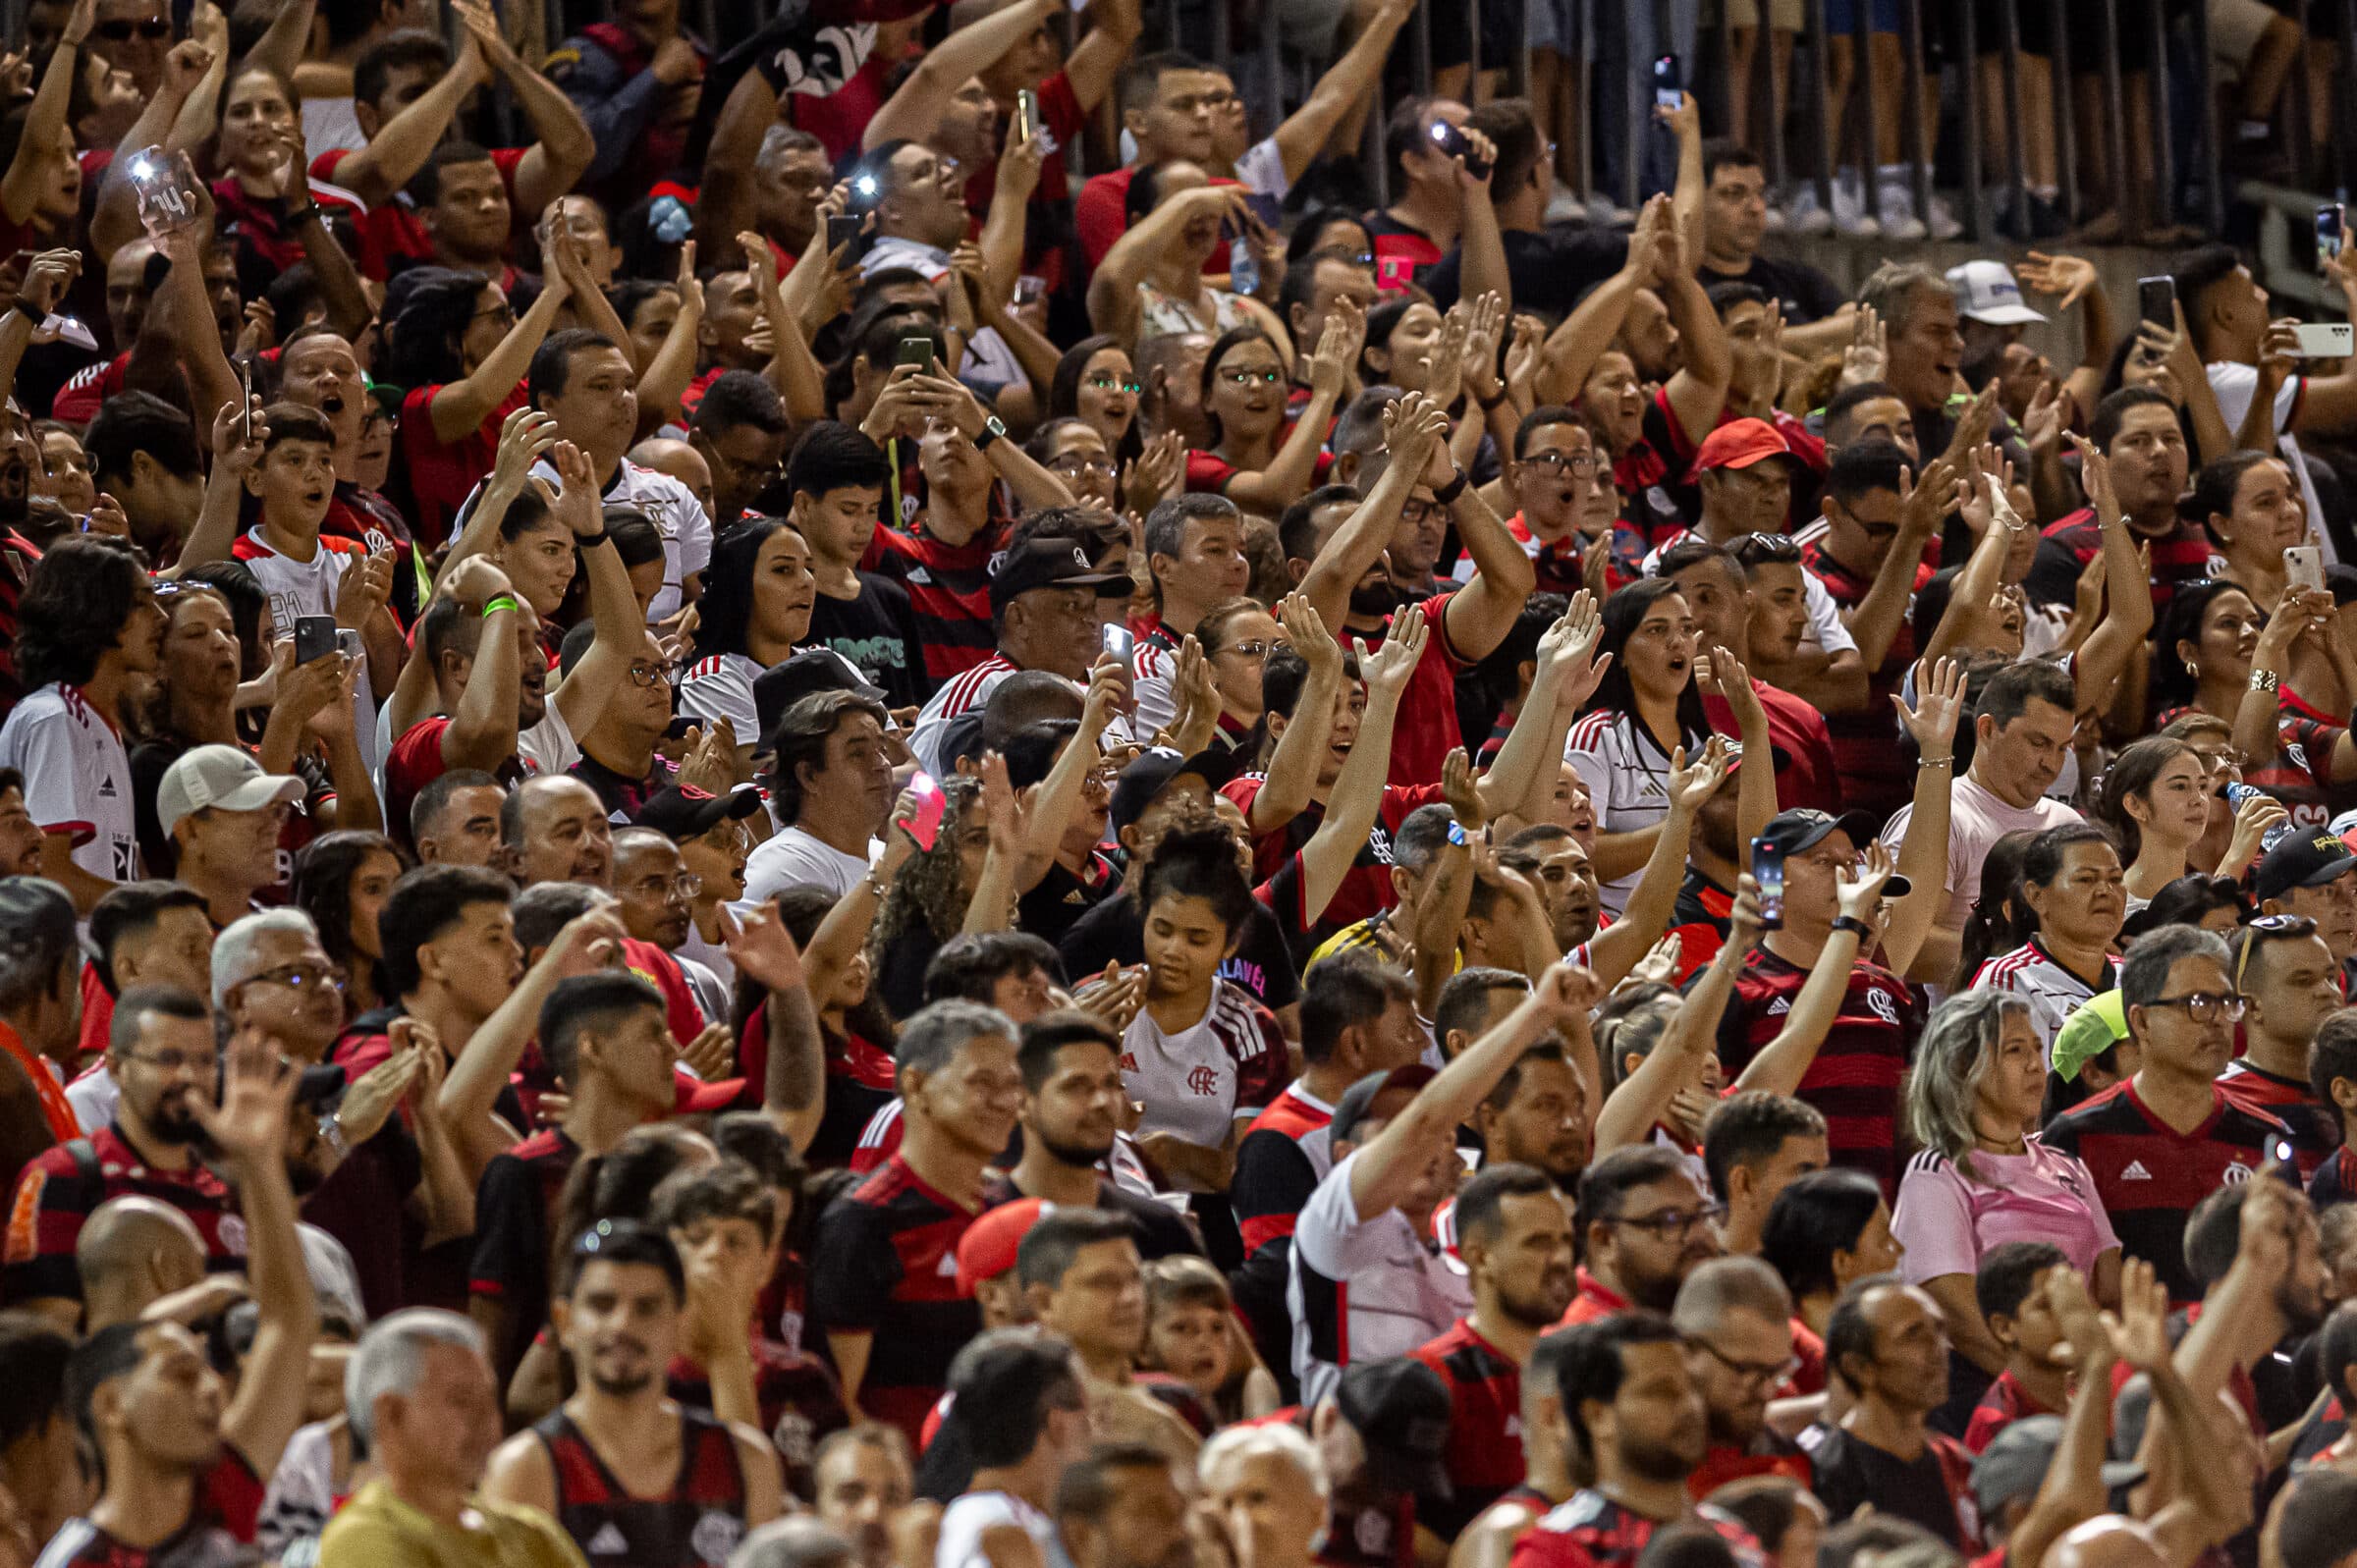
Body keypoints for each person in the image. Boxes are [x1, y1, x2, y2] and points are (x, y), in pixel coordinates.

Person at [43, 1034, 317, 1563]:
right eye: (181, 1373)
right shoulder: (75, 1559)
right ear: (111, 1404)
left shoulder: (223, 1489)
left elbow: (289, 1321)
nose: (213, 1388)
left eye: (204, 1369)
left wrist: (258, 1165)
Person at [481, 1217, 784, 1561]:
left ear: (679, 1325)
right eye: (602, 1304)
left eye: (647, 1307)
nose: (623, 1324)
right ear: (565, 1323)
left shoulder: (746, 1460)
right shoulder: (524, 1471)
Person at [2041, 924, 2289, 1304]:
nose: (2219, 1019)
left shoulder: (2267, 1138)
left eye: (2227, 1003)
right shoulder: (2076, 1138)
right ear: (2141, 1022)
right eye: (2197, 1003)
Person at [809, 1001, 1022, 1440]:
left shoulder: (1014, 1209)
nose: (1005, 1102)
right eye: (981, 1082)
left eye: (1013, 1084)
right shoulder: (864, 1223)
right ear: (917, 1084)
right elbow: (835, 1403)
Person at [1891, 991, 2120, 1379]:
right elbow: (1961, 1319)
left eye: (2037, 1047)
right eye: (2015, 1051)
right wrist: (2045, 1390)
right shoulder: (1937, 1173)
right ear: (1963, 1066)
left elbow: (2111, 1292)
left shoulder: (2068, 1166)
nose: (2036, 1065)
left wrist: (2099, 1376)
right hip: (1988, 1392)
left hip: (2082, 1379)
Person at [318, 1309, 580, 1567]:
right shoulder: (363, 1539)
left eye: (490, 1399)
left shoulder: (534, 1535)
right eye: (462, 1400)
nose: (488, 1419)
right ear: (391, 1414)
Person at [1507, 1314, 1756, 1568]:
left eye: (1693, 1388)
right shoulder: (1558, 1552)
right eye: (1661, 1391)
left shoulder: (1734, 1536)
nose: (1689, 1406)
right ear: (1598, 1416)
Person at [1408, 1162, 1575, 1527]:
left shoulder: (1588, 1365)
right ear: (1480, 1257)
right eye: (1539, 1243)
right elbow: (1411, 1537)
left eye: (1565, 1240)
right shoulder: (1436, 1378)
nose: (1562, 1258)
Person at [0, 538, 162, 909]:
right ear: (97, 612)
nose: (162, 618)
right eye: (142, 604)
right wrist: (148, 912)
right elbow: (47, 875)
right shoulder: (55, 719)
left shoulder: (99, 723)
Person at [993, 1009, 1197, 1258]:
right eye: (1077, 1086)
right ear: (1023, 1101)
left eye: (1110, 1084)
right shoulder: (982, 1226)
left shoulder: (1162, 1231)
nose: (1102, 1101)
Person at [1016, 1209, 1199, 1465]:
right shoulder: (1001, 1402)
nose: (1130, 1297)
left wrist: (1162, 1428)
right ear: (1044, 1302)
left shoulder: (1177, 1402)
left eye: (1135, 1278)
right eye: (1104, 1283)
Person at [1799, 1276, 1972, 1547]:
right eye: (1913, 1336)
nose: (1938, 1349)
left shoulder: (1955, 1462)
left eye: (1939, 1330)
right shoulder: (1822, 1472)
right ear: (1859, 1367)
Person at [921, 1331, 1091, 1561]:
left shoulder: (980, 1517)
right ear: (1058, 1425)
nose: (1093, 1440)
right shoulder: (992, 1528)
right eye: (1085, 1420)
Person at [1670, 1258, 1813, 1494]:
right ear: (1686, 1351)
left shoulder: (1790, 1456)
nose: (1768, 1392)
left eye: (1778, 1372)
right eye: (1747, 1372)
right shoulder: (1647, 1468)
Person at [1563, 1146, 1724, 1325]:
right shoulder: (1586, 1344)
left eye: (1703, 1214)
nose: (1698, 1234)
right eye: (1668, 1222)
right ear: (1604, 1240)